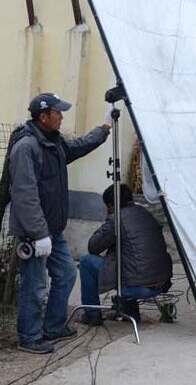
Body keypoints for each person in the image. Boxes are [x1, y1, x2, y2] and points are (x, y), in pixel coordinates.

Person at [9, 93, 111, 354]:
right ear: (44, 116)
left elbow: (78, 146)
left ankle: (53, 327)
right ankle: (29, 337)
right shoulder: (27, 147)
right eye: (58, 113)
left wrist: (104, 128)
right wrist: (38, 233)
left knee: (66, 273)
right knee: (34, 284)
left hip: (52, 230)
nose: (62, 117)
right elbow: (25, 194)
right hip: (35, 233)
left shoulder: (53, 142)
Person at [79, 184, 173, 325]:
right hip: (161, 283)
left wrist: (108, 220)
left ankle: (92, 314)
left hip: (138, 287)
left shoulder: (116, 219)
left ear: (110, 205)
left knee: (86, 261)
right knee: (130, 262)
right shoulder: (146, 213)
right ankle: (130, 312)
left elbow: (93, 247)